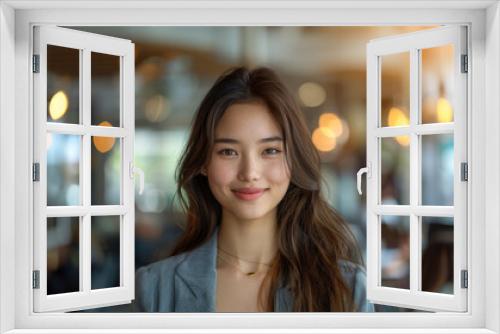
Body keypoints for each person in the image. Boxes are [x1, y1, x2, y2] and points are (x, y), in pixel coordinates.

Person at [133, 67, 374, 312]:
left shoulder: (347, 287)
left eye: (270, 151)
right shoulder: (154, 289)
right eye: (228, 151)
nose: (249, 173)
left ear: (294, 160)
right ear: (204, 162)